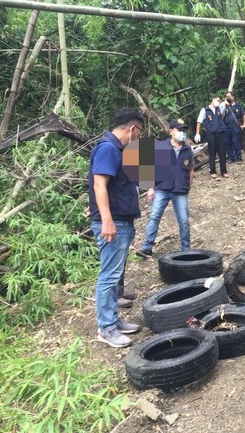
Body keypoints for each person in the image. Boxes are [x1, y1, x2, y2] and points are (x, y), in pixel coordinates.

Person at [88, 107, 144, 348]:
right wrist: (107, 220)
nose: (140, 137)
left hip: (122, 219)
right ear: (132, 129)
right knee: (109, 277)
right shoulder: (108, 148)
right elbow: (99, 185)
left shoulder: (117, 149)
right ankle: (106, 328)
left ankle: (113, 320)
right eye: (140, 132)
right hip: (114, 222)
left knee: (115, 273)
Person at [136, 118, 194, 259]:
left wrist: (188, 186)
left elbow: (191, 170)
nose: (182, 133)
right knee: (154, 216)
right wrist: (151, 187)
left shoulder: (188, 150)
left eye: (184, 130)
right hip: (161, 188)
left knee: (184, 220)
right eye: (179, 130)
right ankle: (147, 247)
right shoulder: (160, 147)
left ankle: (185, 249)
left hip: (180, 189)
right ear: (171, 131)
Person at [195, 95, 228, 179]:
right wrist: (197, 133)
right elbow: (199, 122)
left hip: (221, 133)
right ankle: (212, 171)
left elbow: (224, 109)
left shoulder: (219, 109)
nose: (219, 102)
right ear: (213, 100)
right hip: (211, 134)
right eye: (217, 100)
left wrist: (224, 104)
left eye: (220, 101)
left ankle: (223, 171)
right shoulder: (205, 110)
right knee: (212, 153)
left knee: (222, 153)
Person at [223, 91, 245, 164]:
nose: (228, 98)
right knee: (228, 143)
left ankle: (238, 158)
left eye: (229, 96)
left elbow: (244, 115)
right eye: (226, 96)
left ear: (233, 97)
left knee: (236, 143)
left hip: (235, 127)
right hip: (226, 127)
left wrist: (244, 124)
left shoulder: (238, 106)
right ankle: (230, 158)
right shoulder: (224, 106)